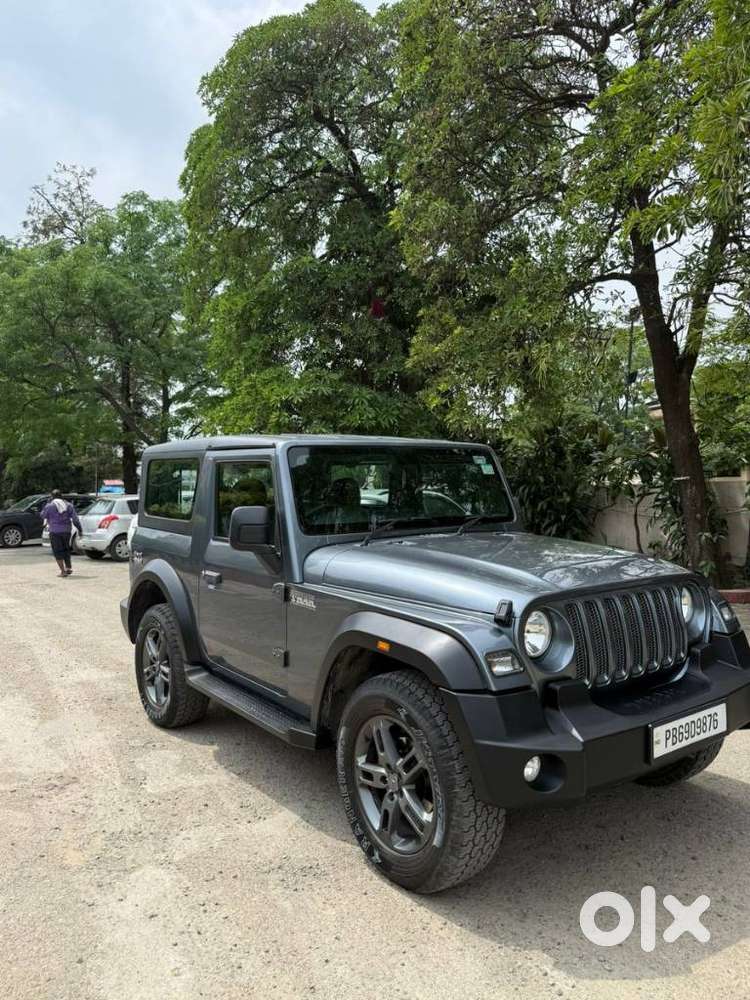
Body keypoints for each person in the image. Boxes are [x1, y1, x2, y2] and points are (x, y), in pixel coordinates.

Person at [41, 490, 82, 578]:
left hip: (55, 532)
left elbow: (43, 515)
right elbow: (75, 520)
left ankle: (63, 571)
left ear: (52, 497)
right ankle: (68, 568)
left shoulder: (50, 506)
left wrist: (47, 504)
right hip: (66, 531)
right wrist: (80, 529)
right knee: (66, 549)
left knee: (57, 551)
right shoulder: (69, 505)